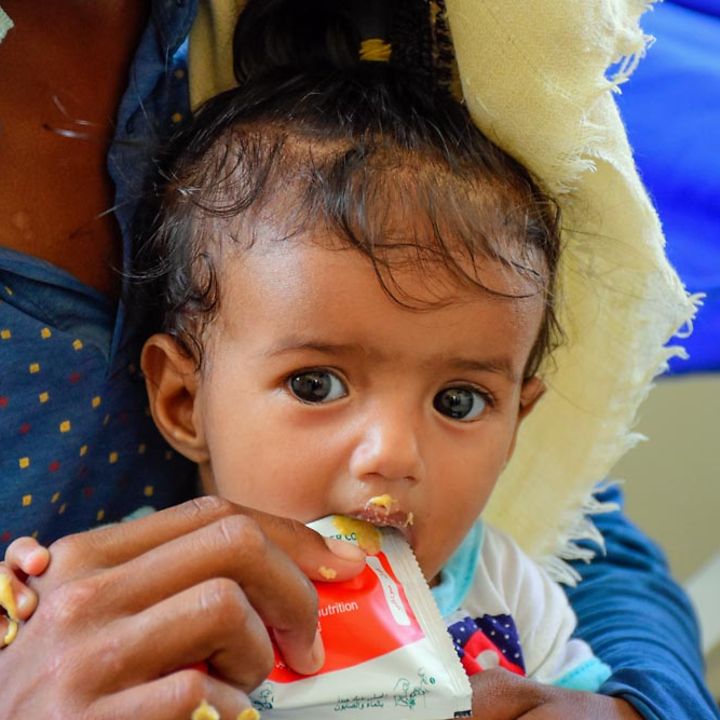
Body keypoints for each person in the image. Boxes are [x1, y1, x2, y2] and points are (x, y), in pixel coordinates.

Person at [0, 2, 717, 719]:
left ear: (520, 421)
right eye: (317, 385)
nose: (393, 454)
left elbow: (605, 592)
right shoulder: (133, 598)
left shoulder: (505, 585)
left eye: (459, 401)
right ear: (185, 401)